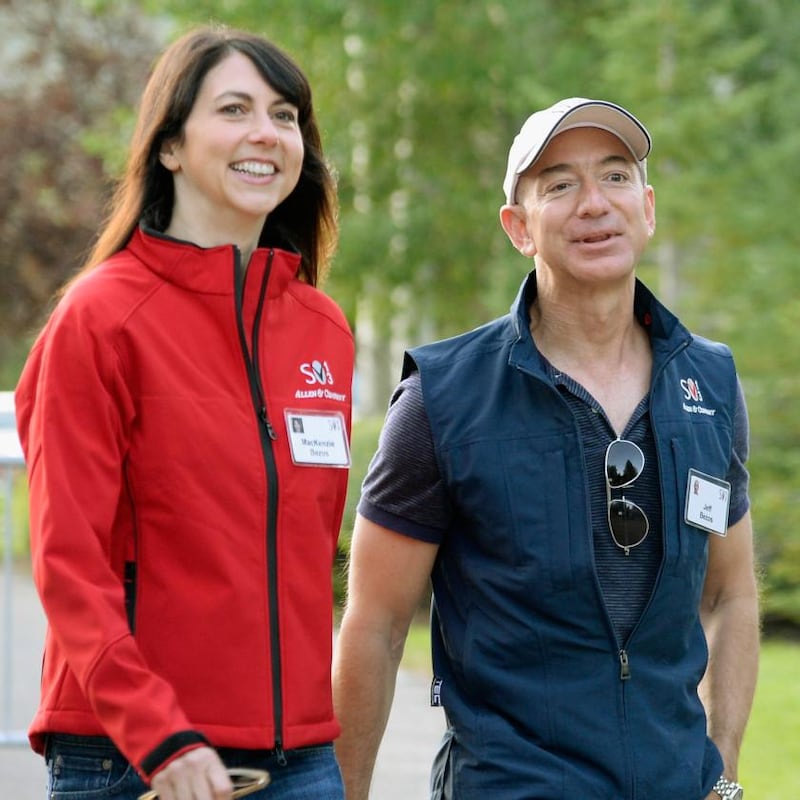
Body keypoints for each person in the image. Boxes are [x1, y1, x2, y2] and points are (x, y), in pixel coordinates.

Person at [332, 97, 759, 799]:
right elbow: (376, 626)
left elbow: (730, 591)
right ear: (518, 228)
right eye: (560, 184)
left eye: (616, 177)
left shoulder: (709, 382)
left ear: (648, 208)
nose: (595, 203)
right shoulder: (443, 397)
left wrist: (724, 767)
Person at [15, 25, 354, 800]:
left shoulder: (323, 329)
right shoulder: (101, 319)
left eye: (284, 115)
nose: (266, 133)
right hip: (137, 756)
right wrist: (157, 734)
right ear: (169, 145)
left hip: (300, 757)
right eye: (234, 110)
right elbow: (69, 561)